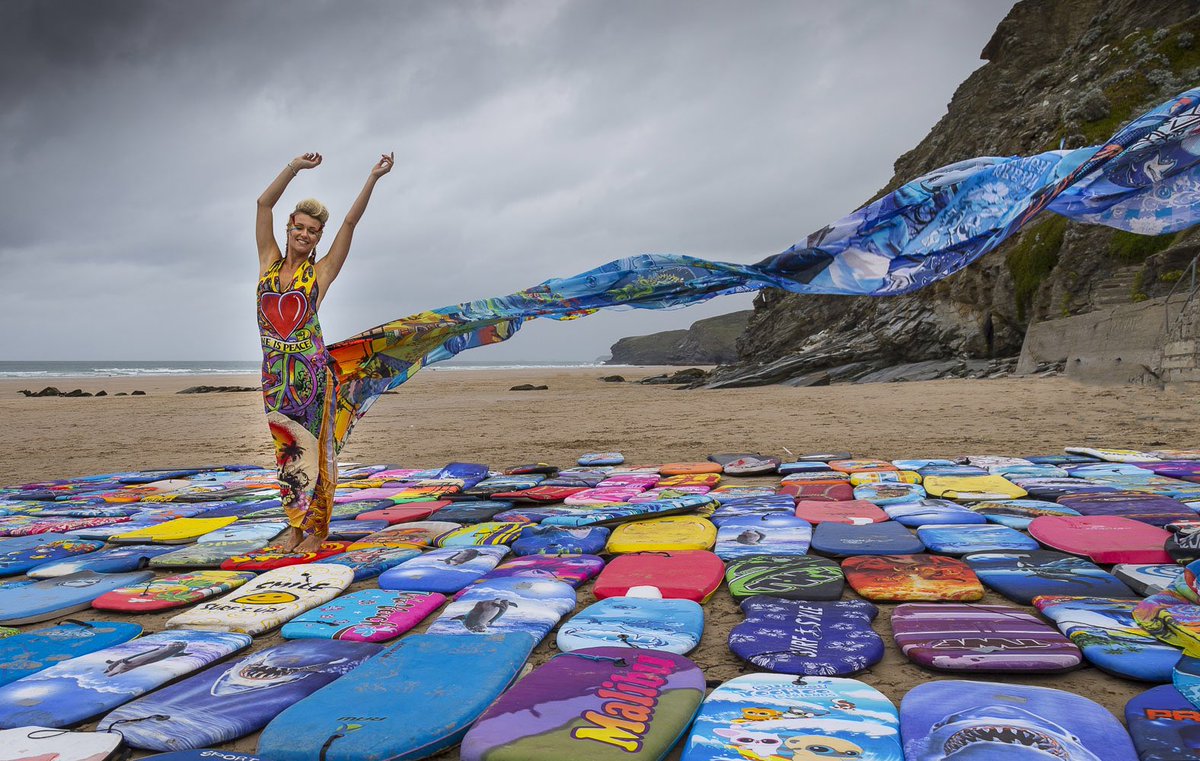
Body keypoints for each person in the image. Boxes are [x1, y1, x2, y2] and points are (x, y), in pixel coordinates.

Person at [255, 151, 393, 552]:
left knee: (316, 453)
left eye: (313, 231)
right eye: (300, 227)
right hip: (274, 378)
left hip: (313, 379)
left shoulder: (321, 272)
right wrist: (294, 168)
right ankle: (295, 525)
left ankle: (317, 528)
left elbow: (349, 223)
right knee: (287, 454)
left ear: (317, 238)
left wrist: (373, 177)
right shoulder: (267, 261)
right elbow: (263, 204)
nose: (305, 235)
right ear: (289, 228)